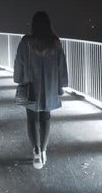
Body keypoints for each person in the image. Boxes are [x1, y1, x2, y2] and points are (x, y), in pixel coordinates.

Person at [13, 11, 68, 169]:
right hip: (49, 87)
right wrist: (61, 84)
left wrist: (18, 78)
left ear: (33, 25)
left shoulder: (26, 42)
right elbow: (61, 65)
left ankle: (36, 151)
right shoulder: (55, 42)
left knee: (31, 119)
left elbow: (19, 62)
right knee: (45, 118)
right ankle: (43, 150)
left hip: (29, 85)